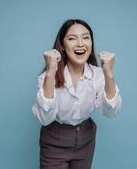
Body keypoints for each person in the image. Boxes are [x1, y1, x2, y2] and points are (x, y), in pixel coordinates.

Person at [32, 19, 122, 169]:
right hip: (54, 141)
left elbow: (110, 111)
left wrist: (109, 74)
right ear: (61, 45)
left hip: (86, 140)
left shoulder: (98, 75)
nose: (80, 43)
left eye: (86, 37)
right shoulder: (48, 76)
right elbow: (45, 118)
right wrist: (50, 72)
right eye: (72, 38)